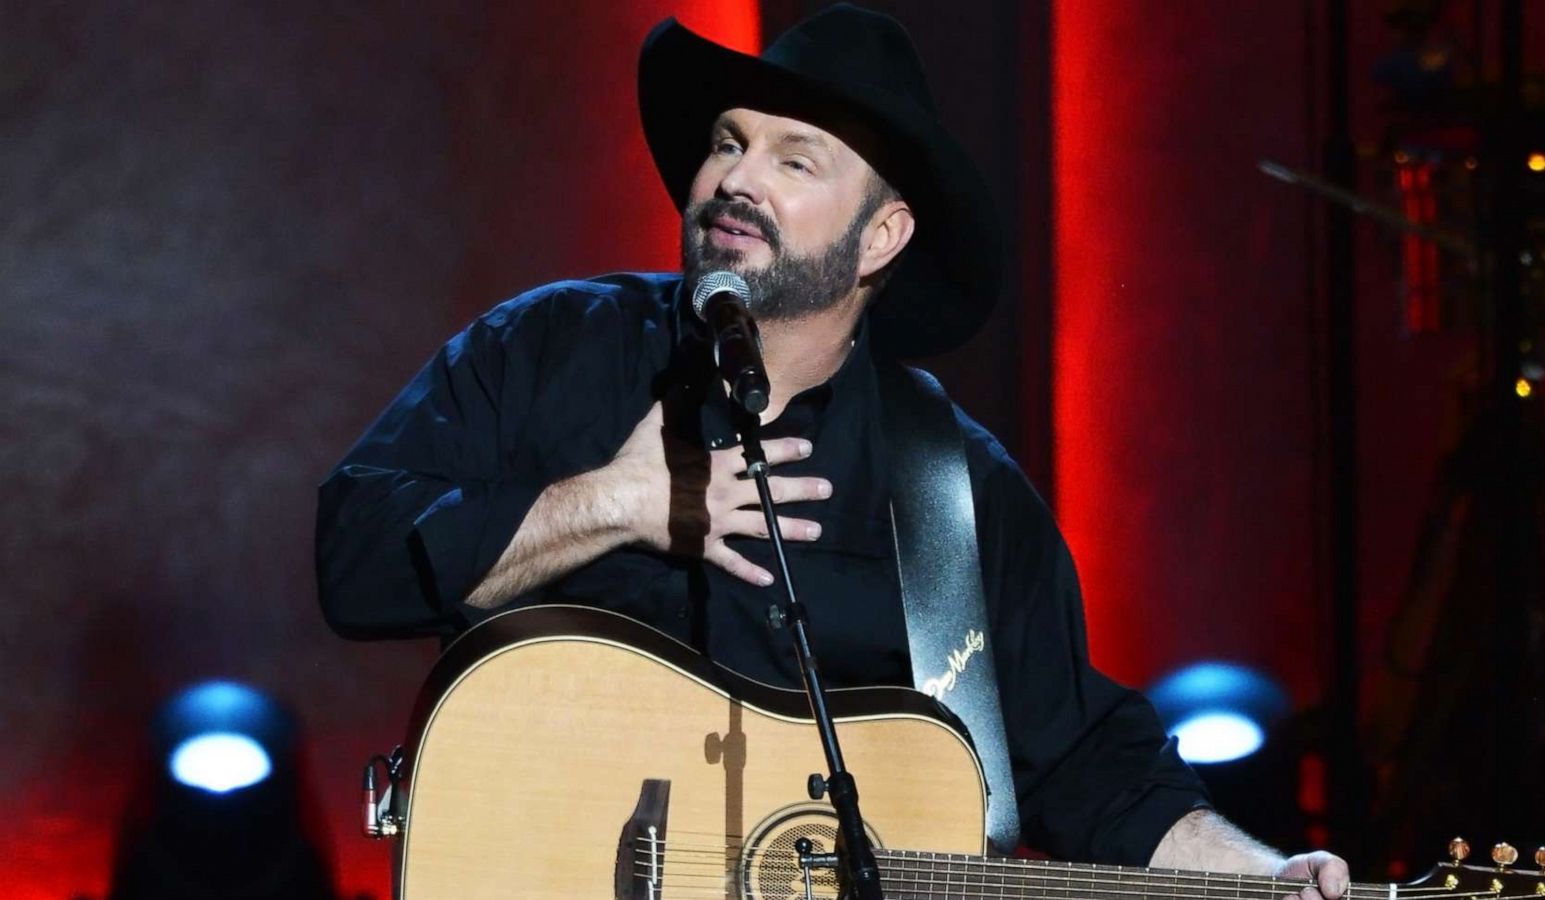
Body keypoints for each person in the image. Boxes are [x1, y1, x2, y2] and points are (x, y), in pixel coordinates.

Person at [315, 4, 1349, 895]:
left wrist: (1259, 878)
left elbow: (1082, 757)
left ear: (883, 237)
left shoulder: (954, 488)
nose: (735, 178)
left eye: (792, 158)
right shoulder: (549, 350)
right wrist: (614, 504)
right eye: (727, 141)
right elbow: (353, 560)